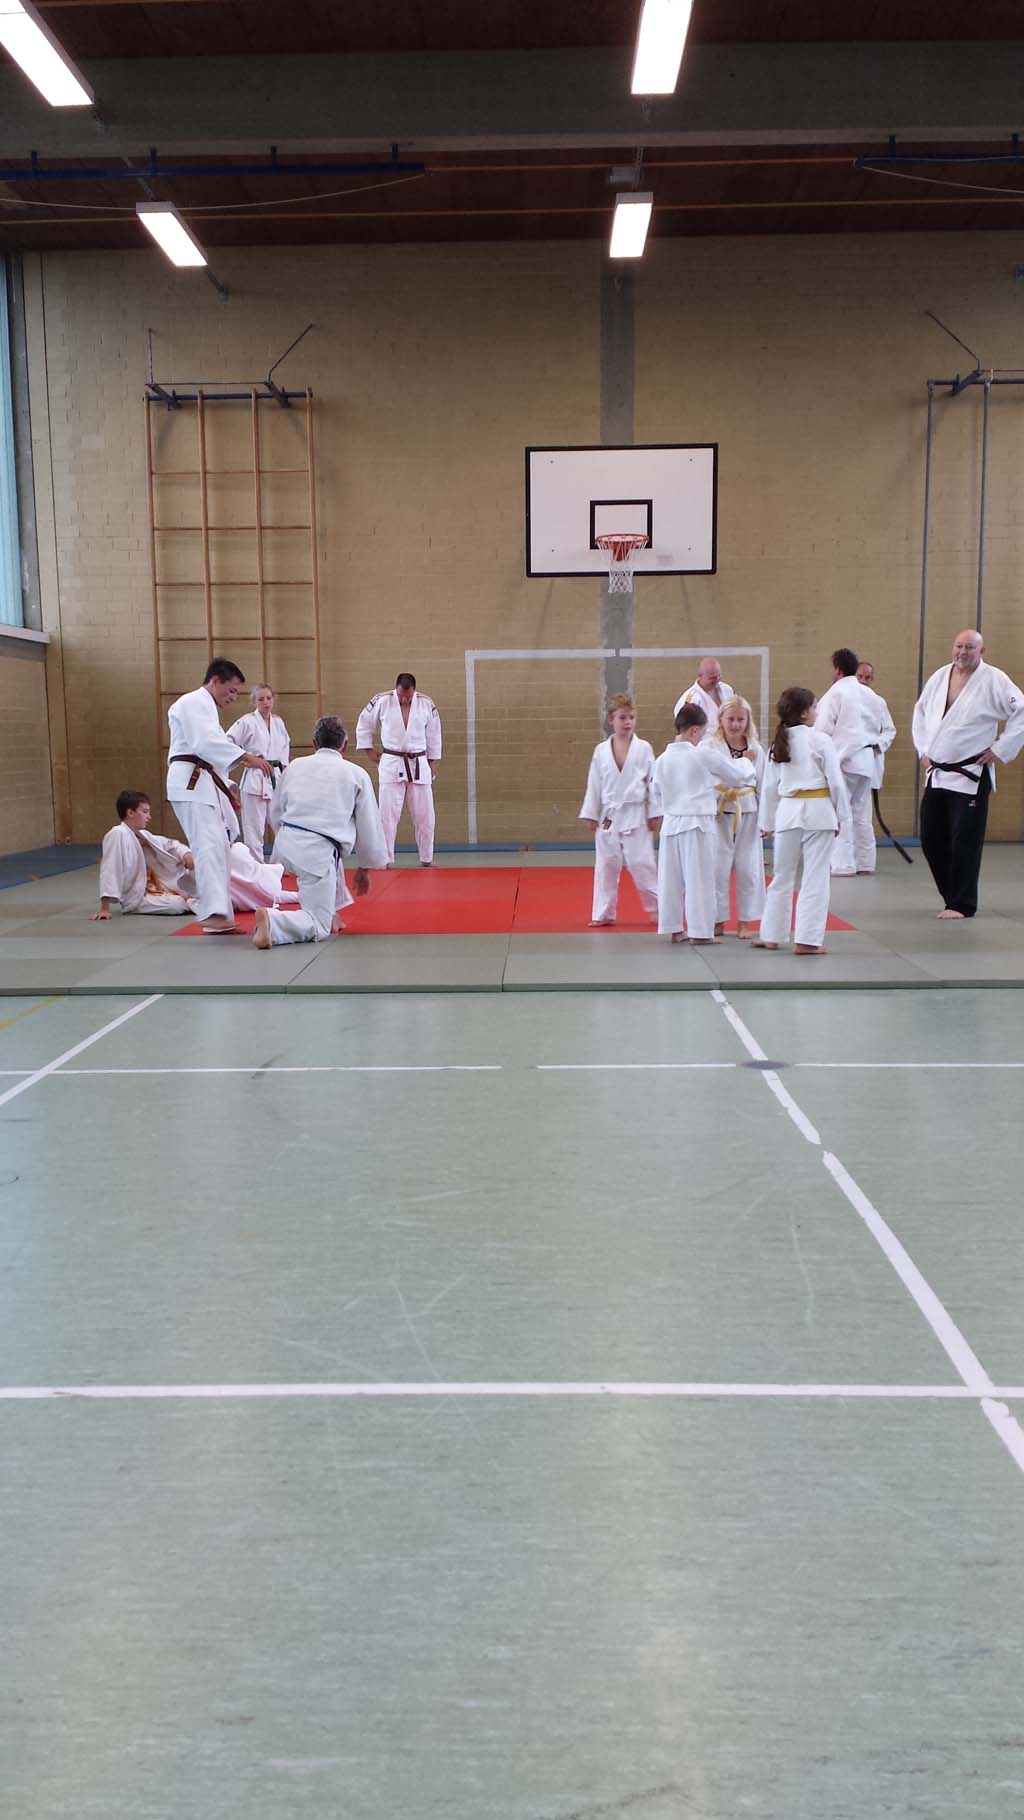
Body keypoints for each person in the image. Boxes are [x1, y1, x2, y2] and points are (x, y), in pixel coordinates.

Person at [912, 628, 1024, 919]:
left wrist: (999, 749)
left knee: (965, 841)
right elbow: (920, 712)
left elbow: (1021, 712)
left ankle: (961, 903)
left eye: (970, 647)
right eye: (959, 646)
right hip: (938, 772)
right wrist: (923, 749)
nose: (962, 652)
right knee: (931, 838)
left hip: (971, 772)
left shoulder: (994, 679)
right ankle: (951, 896)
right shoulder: (940, 676)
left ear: (981, 651)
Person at [254, 714, 388, 949]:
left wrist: (285, 839)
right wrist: (364, 868)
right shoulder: (356, 774)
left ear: (314, 743)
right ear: (345, 745)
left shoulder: (294, 766)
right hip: (316, 853)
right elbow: (369, 825)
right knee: (318, 925)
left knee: (330, 859)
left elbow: (275, 811)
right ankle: (274, 923)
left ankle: (332, 913)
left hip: (287, 842)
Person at [166, 657, 272, 934]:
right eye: (232, 690)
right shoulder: (193, 702)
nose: (234, 697)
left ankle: (218, 914)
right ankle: (213, 913)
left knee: (220, 848)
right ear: (215, 681)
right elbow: (206, 743)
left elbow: (211, 752)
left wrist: (229, 789)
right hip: (190, 782)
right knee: (209, 847)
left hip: (202, 782)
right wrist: (247, 756)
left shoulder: (206, 708)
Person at [91, 790, 299, 920]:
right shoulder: (117, 835)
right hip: (140, 896)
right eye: (144, 812)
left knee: (230, 868)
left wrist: (187, 853)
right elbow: (110, 869)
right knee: (183, 903)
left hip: (165, 885)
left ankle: (280, 893)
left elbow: (172, 845)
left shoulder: (143, 835)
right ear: (130, 813)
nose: (149, 817)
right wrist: (105, 907)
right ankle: (277, 895)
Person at [754, 687, 849, 956]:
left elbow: (769, 788)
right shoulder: (820, 740)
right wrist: (842, 816)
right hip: (819, 812)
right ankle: (807, 939)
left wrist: (766, 823)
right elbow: (836, 783)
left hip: (787, 812)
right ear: (805, 713)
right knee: (815, 877)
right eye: (815, 707)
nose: (817, 712)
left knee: (782, 876)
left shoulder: (778, 743)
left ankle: (771, 935)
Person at [653, 703, 756, 944]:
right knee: (699, 879)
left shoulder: (662, 759)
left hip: (671, 824)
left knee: (670, 880)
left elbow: (656, 793)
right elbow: (736, 774)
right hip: (697, 824)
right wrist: (746, 760)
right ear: (695, 730)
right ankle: (700, 932)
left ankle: (674, 928)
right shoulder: (700, 754)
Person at [579, 693, 660, 926]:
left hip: (636, 814)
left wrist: (654, 812)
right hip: (609, 815)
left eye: (632, 717)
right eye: (623, 717)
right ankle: (603, 913)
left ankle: (659, 908)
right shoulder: (601, 751)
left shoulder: (644, 748)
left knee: (643, 863)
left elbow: (653, 782)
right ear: (611, 720)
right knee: (606, 865)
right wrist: (591, 813)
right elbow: (594, 784)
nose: (628, 722)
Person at [815, 648, 892, 876]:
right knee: (861, 814)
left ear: (838, 669)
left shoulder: (835, 693)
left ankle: (843, 864)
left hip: (843, 760)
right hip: (866, 762)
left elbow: (822, 730)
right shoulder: (873, 697)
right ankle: (866, 863)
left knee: (841, 812)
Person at [356, 672, 442, 866]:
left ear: (414, 691)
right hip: (391, 762)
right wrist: (369, 750)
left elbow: (434, 734)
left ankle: (427, 858)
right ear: (396, 689)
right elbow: (364, 724)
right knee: (386, 816)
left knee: (426, 816)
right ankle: (385, 859)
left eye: (408, 696)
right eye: (401, 696)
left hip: (419, 763)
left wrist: (432, 762)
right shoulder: (382, 700)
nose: (405, 700)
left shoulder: (426, 703)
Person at [709, 695, 766, 938]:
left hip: (749, 810)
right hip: (719, 810)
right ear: (720, 719)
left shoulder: (756, 748)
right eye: (730, 719)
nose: (735, 724)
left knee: (748, 867)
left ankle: (745, 921)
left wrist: (767, 819)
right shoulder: (710, 746)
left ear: (747, 721)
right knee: (717, 867)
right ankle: (717, 919)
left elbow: (764, 784)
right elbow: (704, 779)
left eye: (740, 719)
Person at [228, 684, 291, 859]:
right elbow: (227, 742)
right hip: (254, 780)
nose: (266, 702)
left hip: (275, 778)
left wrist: (285, 769)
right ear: (254, 702)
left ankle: (281, 864)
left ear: (273, 699)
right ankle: (256, 868)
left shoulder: (278, 722)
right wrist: (246, 759)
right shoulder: (246, 722)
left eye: (269, 698)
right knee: (254, 830)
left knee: (283, 826)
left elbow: (285, 746)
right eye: (261, 699)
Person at [856, 660, 897, 797]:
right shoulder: (843, 699)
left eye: (867, 677)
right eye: (859, 676)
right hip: (850, 758)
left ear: (872, 679)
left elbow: (889, 730)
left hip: (870, 756)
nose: (863, 680)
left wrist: (877, 744)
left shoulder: (878, 702)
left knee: (866, 804)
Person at [672, 657, 733, 742]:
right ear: (700, 676)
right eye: (712, 678)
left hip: (728, 743)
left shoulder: (727, 690)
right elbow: (684, 732)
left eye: (719, 676)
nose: (717, 680)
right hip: (703, 746)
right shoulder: (691, 698)